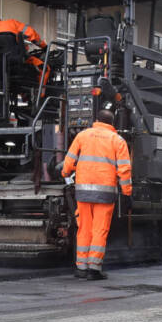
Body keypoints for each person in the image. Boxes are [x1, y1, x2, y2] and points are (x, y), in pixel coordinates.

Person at [61, 109, 132, 280]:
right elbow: (124, 169)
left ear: (96, 120)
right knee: (99, 230)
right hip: (105, 193)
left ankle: (81, 268)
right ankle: (94, 269)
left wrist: (65, 172)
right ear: (112, 124)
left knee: (84, 228)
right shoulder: (117, 140)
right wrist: (127, 192)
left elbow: (69, 160)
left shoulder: (83, 136)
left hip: (83, 190)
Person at [0, 14, 51, 87]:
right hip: (17, 59)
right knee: (45, 68)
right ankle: (41, 96)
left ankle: (29, 96)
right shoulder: (11, 22)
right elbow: (31, 33)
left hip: (1, 65)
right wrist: (44, 46)